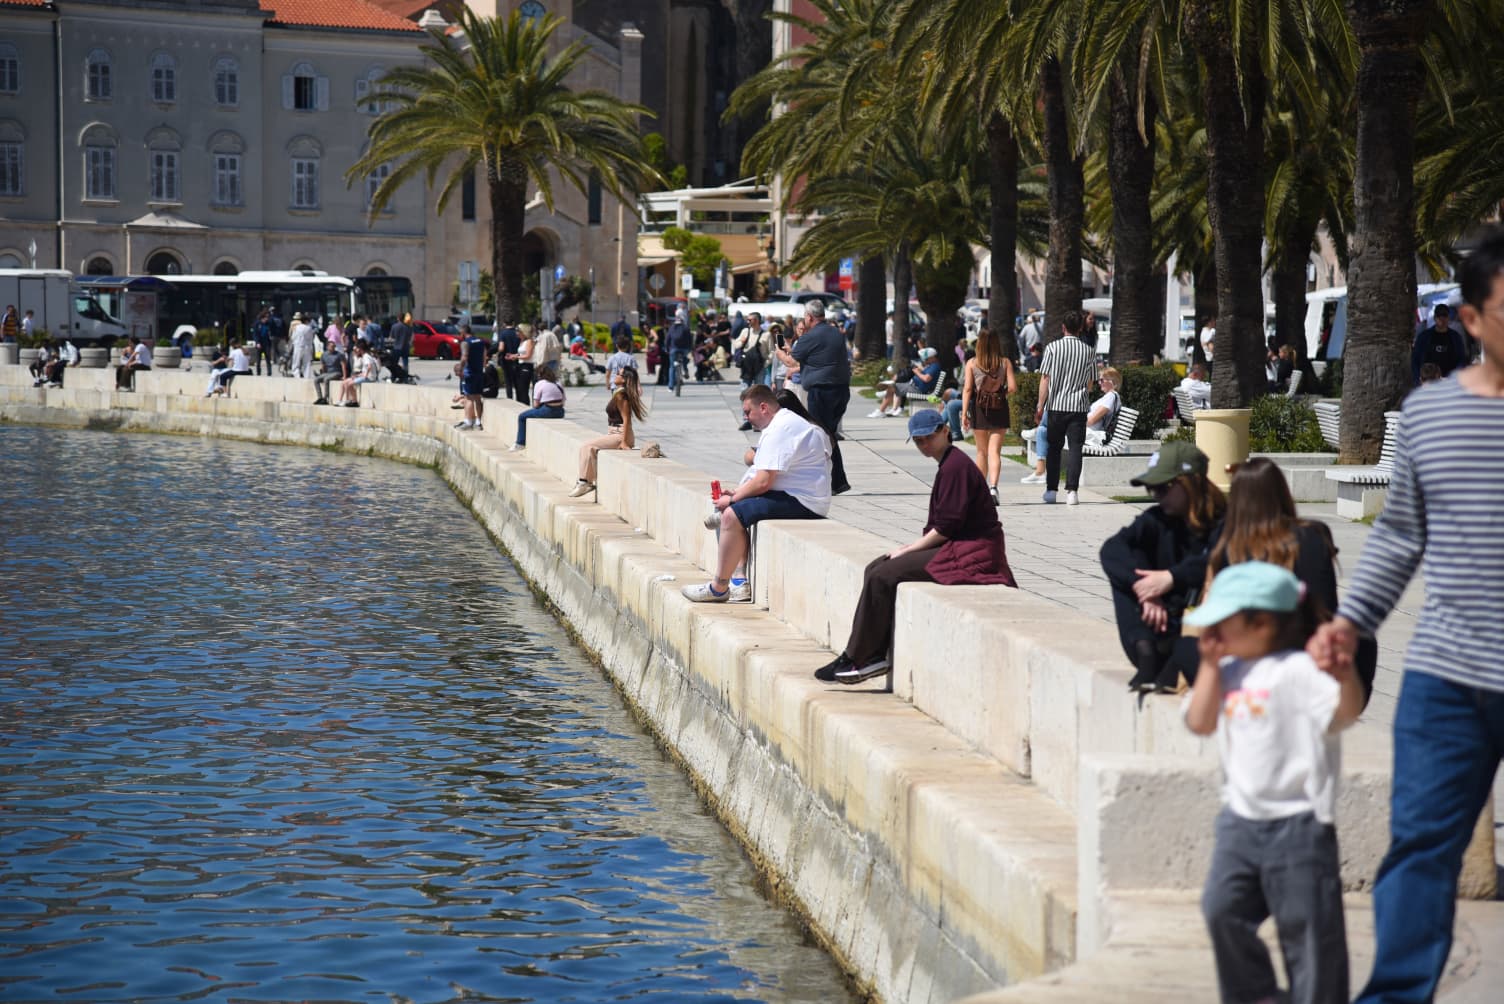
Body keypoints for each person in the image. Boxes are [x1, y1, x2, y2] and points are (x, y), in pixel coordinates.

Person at [1308, 227, 1504, 1004]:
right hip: (1447, 677)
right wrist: (1348, 622)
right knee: (1420, 850)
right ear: (1472, 319)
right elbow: (1399, 537)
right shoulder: (1429, 415)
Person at [1185, 562, 1363, 1004]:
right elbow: (1199, 722)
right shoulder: (1228, 671)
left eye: (1223, 621)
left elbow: (1346, 712)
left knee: (1309, 933)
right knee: (1221, 910)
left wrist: (1345, 676)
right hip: (1240, 823)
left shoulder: (1299, 670)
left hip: (1299, 826)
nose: (1212, 631)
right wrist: (1208, 666)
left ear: (1262, 623)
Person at [813, 409, 1018, 684]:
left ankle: (861, 657)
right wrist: (910, 548)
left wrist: (908, 550)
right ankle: (867, 652)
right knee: (877, 567)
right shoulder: (948, 463)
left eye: (928, 438)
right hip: (959, 543)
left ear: (946, 431)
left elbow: (946, 527)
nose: (924, 445)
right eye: (919, 441)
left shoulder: (956, 466)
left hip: (973, 551)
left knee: (883, 574)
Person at [1206, 457, 1376, 706]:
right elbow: (1326, 604)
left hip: (1243, 650)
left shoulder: (1225, 546)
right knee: (1365, 637)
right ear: (1281, 492)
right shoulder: (1312, 535)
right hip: (1304, 649)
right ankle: (1350, 704)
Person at [682, 384, 830, 603]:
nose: (746, 417)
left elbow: (763, 481)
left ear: (763, 407)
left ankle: (719, 587)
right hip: (795, 495)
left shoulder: (782, 429)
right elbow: (764, 476)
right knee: (733, 510)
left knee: (732, 515)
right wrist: (738, 493)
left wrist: (733, 499)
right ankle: (735, 581)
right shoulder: (780, 424)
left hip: (803, 501)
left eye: (747, 412)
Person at [1100, 441, 1226, 693]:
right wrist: (1144, 590)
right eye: (1151, 490)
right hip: (1158, 630)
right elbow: (1111, 550)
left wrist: (1171, 578)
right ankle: (1145, 651)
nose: (1156, 497)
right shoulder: (1157, 519)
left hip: (1201, 639)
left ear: (1188, 483)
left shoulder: (1224, 521)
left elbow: (1220, 559)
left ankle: (1166, 663)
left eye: (1162, 489)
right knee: (1130, 555)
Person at [1035, 309, 1096, 505]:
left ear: (1063, 328)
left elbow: (1045, 378)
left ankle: (1051, 490)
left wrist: (1040, 405)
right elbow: (1090, 382)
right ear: (1081, 328)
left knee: (1054, 448)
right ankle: (1072, 492)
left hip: (1056, 406)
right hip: (1078, 407)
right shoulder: (1088, 351)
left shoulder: (1052, 348)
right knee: (1076, 449)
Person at [791, 299, 852, 495]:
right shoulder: (836, 332)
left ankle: (834, 482)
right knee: (828, 435)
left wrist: (779, 352)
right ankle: (837, 482)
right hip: (841, 390)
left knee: (821, 436)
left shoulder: (811, 336)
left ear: (809, 317)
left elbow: (793, 358)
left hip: (821, 392)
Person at [958, 327, 1017, 503]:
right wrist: (1000, 395)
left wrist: (964, 414)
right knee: (994, 452)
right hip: (999, 409)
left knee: (981, 452)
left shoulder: (972, 363)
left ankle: (979, 490)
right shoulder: (1004, 362)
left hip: (979, 409)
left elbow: (968, 389)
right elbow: (1013, 388)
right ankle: (993, 488)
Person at [569, 367, 648, 498]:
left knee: (587, 447)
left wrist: (623, 442)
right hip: (614, 433)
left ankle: (585, 483)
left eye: (618, 374)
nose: (615, 375)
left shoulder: (622, 396)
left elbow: (626, 419)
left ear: (623, 379)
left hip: (620, 434)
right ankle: (584, 481)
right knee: (586, 446)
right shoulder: (618, 393)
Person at [1409, 302, 1469, 384]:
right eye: (1439, 316)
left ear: (1448, 318)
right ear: (1434, 318)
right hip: (1428, 383)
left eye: (1444, 315)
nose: (1442, 318)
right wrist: (1418, 380)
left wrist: (1455, 378)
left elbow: (1462, 359)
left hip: (1449, 383)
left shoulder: (1455, 337)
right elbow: (1415, 359)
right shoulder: (1424, 337)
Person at [871, 347, 941, 416]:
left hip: (917, 389)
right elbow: (926, 376)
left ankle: (881, 411)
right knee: (893, 385)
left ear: (932, 358)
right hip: (913, 386)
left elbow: (926, 379)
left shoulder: (935, 366)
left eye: (926, 359)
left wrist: (917, 372)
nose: (924, 360)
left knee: (891, 387)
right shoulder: (932, 366)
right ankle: (887, 401)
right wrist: (919, 370)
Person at [511, 362, 565, 450]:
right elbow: (563, 401)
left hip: (548, 410)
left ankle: (520, 443)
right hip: (560, 412)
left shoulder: (539, 384)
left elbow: (535, 405)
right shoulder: (558, 383)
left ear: (539, 374)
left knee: (522, 417)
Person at [1084, 367, 1122, 449]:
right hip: (1090, 432)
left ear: (1112, 381)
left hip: (1093, 435)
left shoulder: (1111, 396)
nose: (1099, 383)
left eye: (1101, 380)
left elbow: (1091, 421)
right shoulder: (1109, 396)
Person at [340, 340, 378, 407]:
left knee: (349, 384)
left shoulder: (366, 356)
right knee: (346, 382)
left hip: (370, 378)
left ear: (360, 349)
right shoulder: (365, 356)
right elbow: (365, 370)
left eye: (357, 348)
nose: (356, 350)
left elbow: (369, 366)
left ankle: (352, 401)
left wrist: (365, 375)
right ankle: (353, 400)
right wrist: (357, 375)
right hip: (365, 376)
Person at [313, 339, 347, 405]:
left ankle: (326, 398)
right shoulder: (324, 355)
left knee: (326, 379)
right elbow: (323, 366)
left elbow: (343, 365)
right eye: (331, 346)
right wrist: (322, 374)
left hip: (337, 372)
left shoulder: (339, 355)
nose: (333, 348)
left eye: (334, 346)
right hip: (328, 372)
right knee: (316, 380)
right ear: (327, 347)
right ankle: (320, 397)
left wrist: (344, 376)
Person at [666, 312, 693, 396]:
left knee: (672, 367)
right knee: (685, 358)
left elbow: (667, 340)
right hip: (684, 349)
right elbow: (690, 340)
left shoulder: (672, 328)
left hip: (673, 349)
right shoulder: (686, 328)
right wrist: (690, 348)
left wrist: (667, 349)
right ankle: (685, 369)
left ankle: (670, 386)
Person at [512, 324, 536, 404]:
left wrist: (517, 357)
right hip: (520, 366)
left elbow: (528, 355)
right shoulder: (522, 341)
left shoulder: (529, 341)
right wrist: (514, 355)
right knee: (519, 389)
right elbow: (522, 354)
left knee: (523, 389)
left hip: (526, 366)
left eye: (518, 331)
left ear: (523, 332)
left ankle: (525, 406)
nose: (516, 333)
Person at [288, 311, 315, 379]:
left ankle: (297, 376)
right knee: (306, 364)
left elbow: (293, 337)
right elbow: (311, 338)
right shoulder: (309, 328)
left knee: (296, 363)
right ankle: (307, 377)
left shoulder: (297, 327)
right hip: (307, 347)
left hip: (298, 346)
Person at [389, 312, 414, 376]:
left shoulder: (394, 326)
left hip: (396, 347)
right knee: (405, 362)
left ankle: (394, 374)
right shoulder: (408, 327)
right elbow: (411, 337)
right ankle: (405, 374)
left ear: (398, 318)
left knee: (395, 362)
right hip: (405, 347)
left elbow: (391, 338)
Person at [251, 309, 274, 376]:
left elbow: (271, 331)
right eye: (265, 317)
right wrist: (257, 342)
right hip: (260, 343)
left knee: (268, 359)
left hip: (267, 343)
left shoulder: (268, 324)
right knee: (258, 360)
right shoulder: (257, 324)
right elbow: (255, 334)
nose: (267, 319)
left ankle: (269, 373)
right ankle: (258, 373)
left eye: (268, 317)